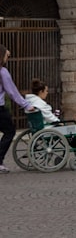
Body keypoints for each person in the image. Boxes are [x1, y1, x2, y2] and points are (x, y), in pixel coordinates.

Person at [24, 78, 76, 161]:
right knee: (75, 130)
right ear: (41, 91)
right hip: (47, 129)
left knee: (70, 130)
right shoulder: (40, 104)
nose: (47, 93)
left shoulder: (29, 102)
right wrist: (60, 123)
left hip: (37, 128)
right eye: (46, 91)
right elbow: (51, 118)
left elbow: (46, 116)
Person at [1, 44, 36, 173]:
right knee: (9, 131)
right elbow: (12, 92)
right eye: (6, 55)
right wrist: (26, 105)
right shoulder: (2, 72)